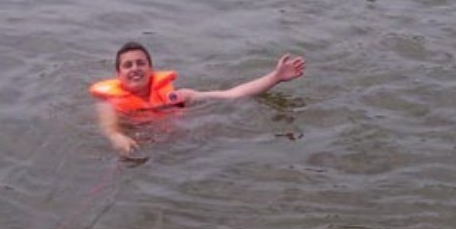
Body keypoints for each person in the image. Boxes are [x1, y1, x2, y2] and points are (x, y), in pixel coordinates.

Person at [90, 41, 306, 154]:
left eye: (140, 63)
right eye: (128, 65)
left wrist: (275, 77)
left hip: (183, 149)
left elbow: (232, 94)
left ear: (151, 69)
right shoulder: (110, 103)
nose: (135, 68)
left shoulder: (179, 96)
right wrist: (117, 138)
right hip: (140, 148)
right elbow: (110, 129)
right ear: (119, 74)